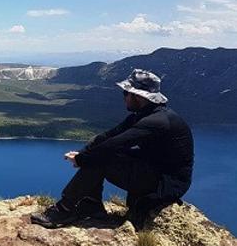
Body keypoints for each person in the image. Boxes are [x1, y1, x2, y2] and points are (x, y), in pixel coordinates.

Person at [31, 69, 194, 230]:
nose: (124, 97)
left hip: (166, 183)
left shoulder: (157, 121)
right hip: (154, 168)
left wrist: (83, 160)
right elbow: (107, 137)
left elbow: (115, 145)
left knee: (103, 158)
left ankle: (64, 210)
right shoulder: (144, 115)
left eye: (126, 93)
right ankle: (90, 205)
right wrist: (83, 154)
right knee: (99, 151)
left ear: (138, 96)